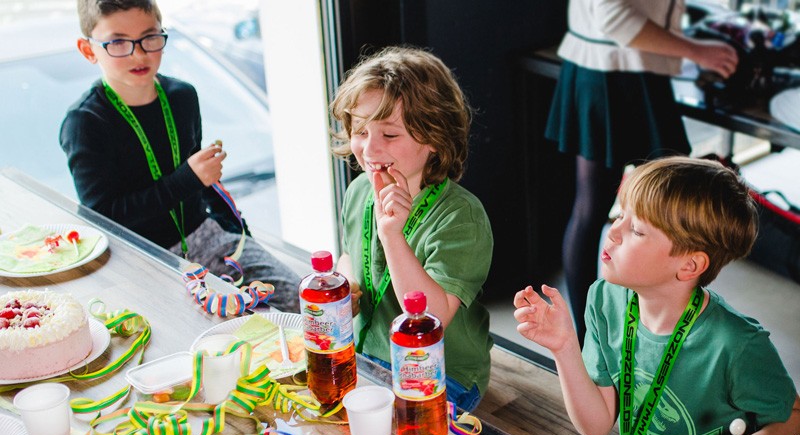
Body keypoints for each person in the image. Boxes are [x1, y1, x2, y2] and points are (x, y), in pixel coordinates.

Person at [513, 157, 800, 435]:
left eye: (635, 230)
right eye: (620, 215)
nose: (611, 233)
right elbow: (596, 426)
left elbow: (791, 413)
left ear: (689, 265)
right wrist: (564, 348)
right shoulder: (604, 299)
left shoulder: (738, 344)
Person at [60, 0, 299, 312]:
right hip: (143, 258)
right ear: (89, 49)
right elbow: (106, 217)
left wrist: (243, 238)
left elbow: (204, 187)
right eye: (118, 42)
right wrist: (188, 178)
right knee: (211, 333)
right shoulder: (86, 122)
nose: (139, 53)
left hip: (204, 235)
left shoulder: (182, 96)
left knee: (301, 302)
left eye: (150, 37)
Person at [545, 0, 740, 341]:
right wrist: (697, 51)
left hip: (606, 66)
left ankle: (596, 334)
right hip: (620, 70)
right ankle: (633, 331)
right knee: (671, 204)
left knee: (598, 207)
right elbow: (614, 16)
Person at [330, 46, 494, 412]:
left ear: (434, 137)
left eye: (389, 135)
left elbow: (430, 317)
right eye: (360, 131)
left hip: (442, 374)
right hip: (369, 355)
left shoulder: (461, 216)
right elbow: (348, 254)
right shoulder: (359, 191)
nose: (370, 149)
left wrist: (391, 234)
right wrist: (347, 287)